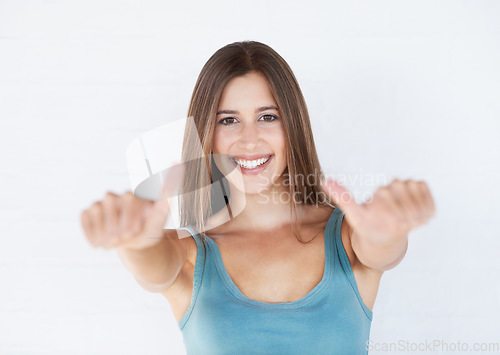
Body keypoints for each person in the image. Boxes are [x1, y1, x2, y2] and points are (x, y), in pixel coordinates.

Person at [80, 41, 436, 355]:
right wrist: (137, 243)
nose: (250, 140)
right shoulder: (192, 256)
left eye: (267, 117)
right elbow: (154, 270)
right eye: (228, 121)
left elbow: (382, 251)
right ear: (207, 132)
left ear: (292, 125)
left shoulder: (347, 238)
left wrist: (388, 234)